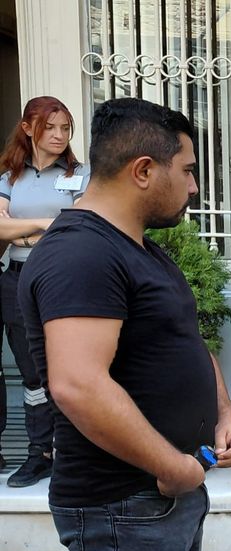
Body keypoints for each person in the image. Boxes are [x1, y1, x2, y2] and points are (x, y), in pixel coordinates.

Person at [19, 97, 231, 551]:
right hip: (124, 507)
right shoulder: (82, 254)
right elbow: (78, 384)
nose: (195, 186)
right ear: (144, 170)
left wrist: (224, 415)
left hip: (162, 500)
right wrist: (172, 469)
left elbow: (190, 343)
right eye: (189, 169)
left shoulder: (145, 250)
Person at [0, 96, 90, 487]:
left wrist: (24, 229)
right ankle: (39, 453)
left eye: (65, 128)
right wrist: (49, 221)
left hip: (63, 278)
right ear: (27, 129)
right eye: (50, 127)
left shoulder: (81, 174)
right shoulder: (8, 177)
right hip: (16, 278)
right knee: (32, 373)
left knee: (69, 369)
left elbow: (82, 222)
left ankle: (73, 453)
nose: (58, 135)